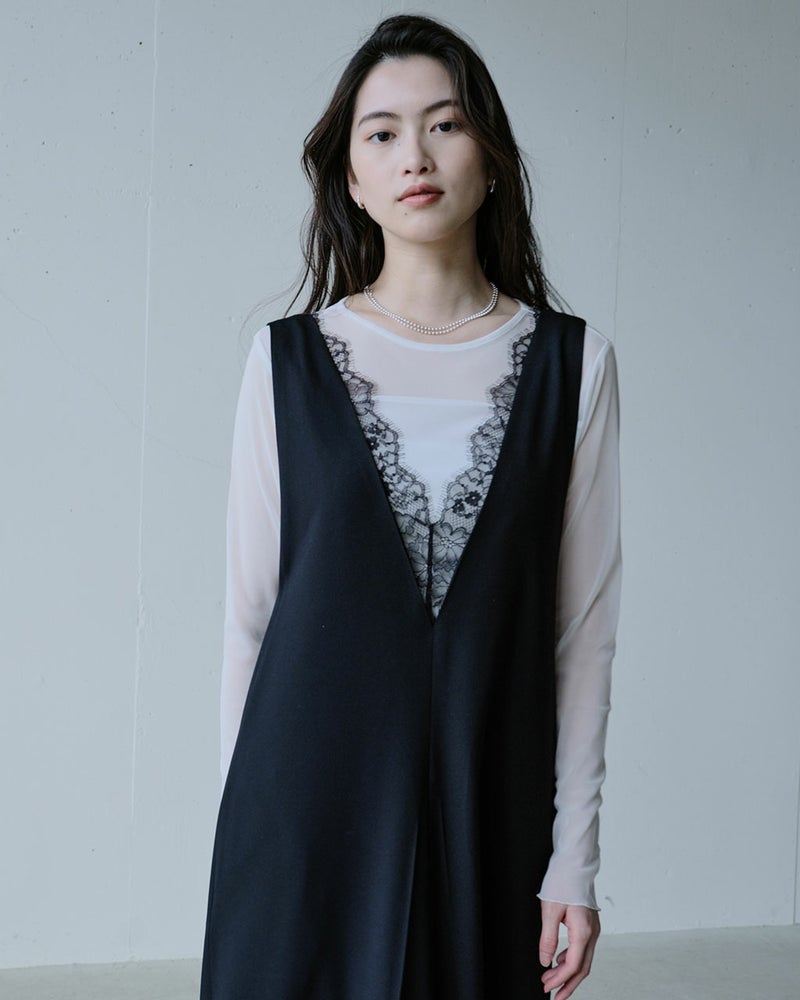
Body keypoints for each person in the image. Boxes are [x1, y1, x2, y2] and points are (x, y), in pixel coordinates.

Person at [200, 13, 620, 1000]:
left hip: (489, 809)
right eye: (381, 133)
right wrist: (243, 831)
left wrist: (574, 860)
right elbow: (249, 619)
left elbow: (583, 634)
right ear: (351, 177)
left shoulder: (576, 366)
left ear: (491, 157)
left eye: (444, 124)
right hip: (301, 812)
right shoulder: (284, 363)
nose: (414, 156)